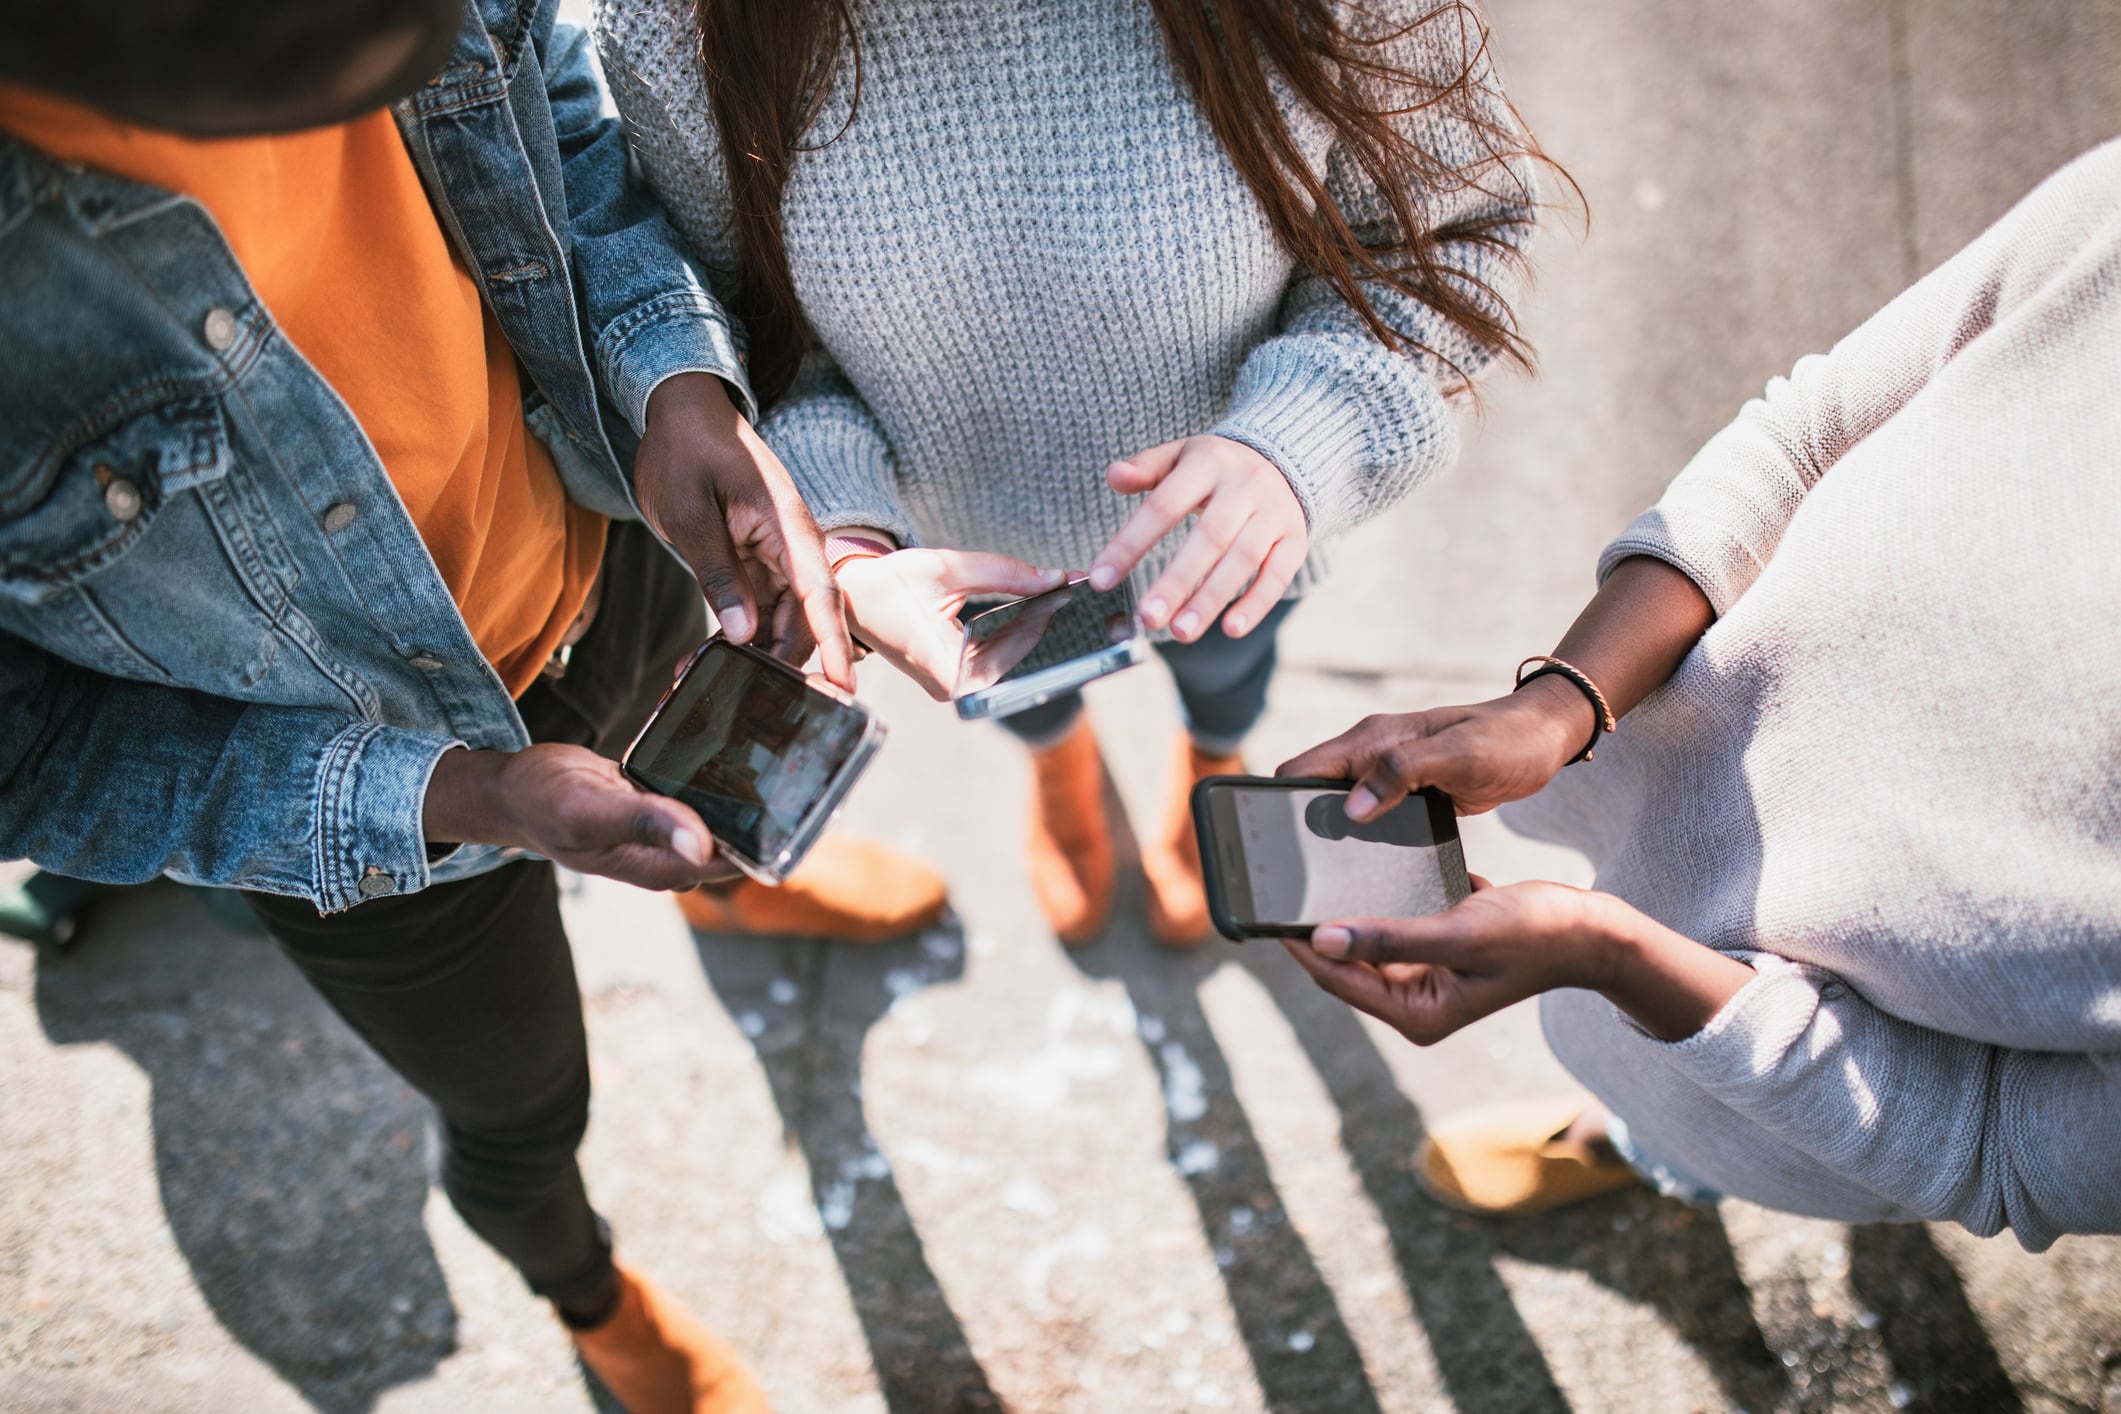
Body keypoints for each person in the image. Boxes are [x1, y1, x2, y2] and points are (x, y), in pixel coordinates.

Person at [0, 3, 936, 1408]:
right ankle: (589, 1293)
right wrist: (465, 797)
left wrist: (673, 379)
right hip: (375, 801)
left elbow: (550, 102)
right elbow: (33, 756)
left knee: (700, 768)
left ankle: (736, 873)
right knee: (519, 1107)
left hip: (599, 531)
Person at [1273, 141, 2121, 1250]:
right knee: (1654, 1065)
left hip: (1805, 1087)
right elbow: (1807, 434)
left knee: (1699, 1115)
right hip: (1650, 742)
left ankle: (1648, 1147)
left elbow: (1995, 1146)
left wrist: (1606, 951)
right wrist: (1560, 707)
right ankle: (1641, 1127)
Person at [595, 0, 1548, 946]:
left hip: (1234, 531)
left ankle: (1212, 768)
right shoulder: (672, 25)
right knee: (1020, 687)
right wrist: (839, 533)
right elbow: (752, 344)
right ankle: (1062, 767)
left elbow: (1449, 236)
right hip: (958, 549)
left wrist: (1302, 438)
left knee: (1229, 667)